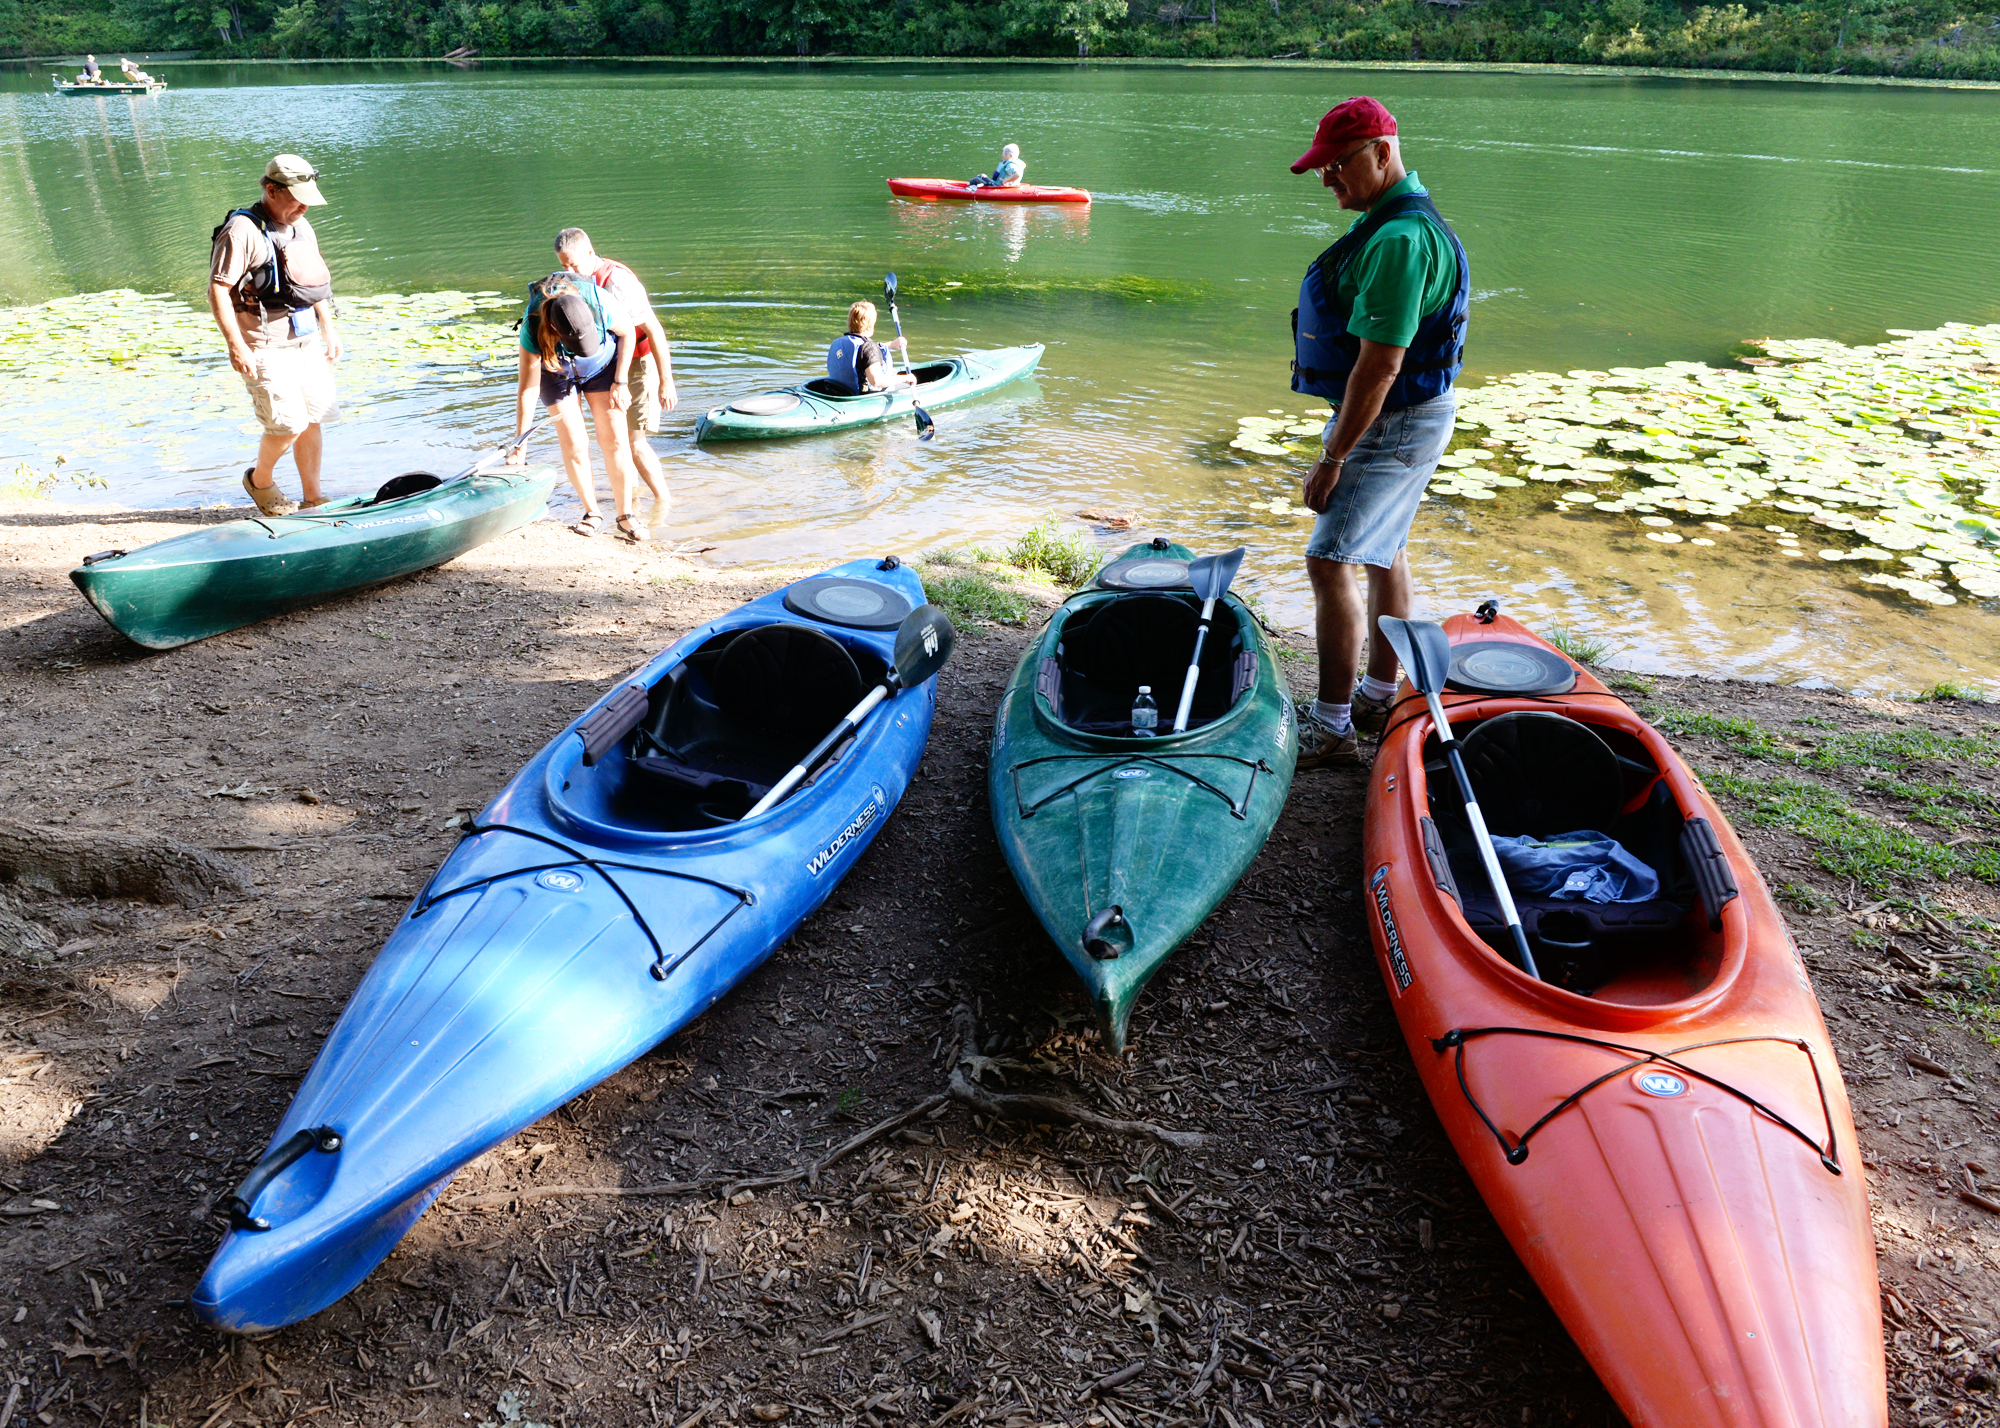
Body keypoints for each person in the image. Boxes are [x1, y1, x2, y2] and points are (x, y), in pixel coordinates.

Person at [1287, 96, 1470, 769]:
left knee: (1329, 558)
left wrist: (1334, 455)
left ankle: (1333, 726)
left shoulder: (1396, 240)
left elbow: (1382, 363)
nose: (1328, 178)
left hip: (1392, 418)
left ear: (1382, 152)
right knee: (1384, 548)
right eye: (1321, 169)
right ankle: (1376, 693)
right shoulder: (1401, 224)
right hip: (1418, 412)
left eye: (1338, 165)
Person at [207, 154, 342, 516]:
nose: (303, 207)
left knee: (314, 416)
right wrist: (237, 347)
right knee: (287, 424)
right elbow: (218, 290)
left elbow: (313, 284)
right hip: (264, 344)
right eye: (297, 199)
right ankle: (260, 480)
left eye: (308, 199)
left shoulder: (301, 226)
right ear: (271, 190)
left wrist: (328, 328)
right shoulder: (242, 231)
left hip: (305, 339)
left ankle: (313, 496)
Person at [507, 268, 647, 542]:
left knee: (615, 440)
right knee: (574, 442)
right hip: (555, 372)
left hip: (602, 368)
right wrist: (519, 445)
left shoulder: (601, 302)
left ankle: (625, 515)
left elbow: (628, 333)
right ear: (556, 330)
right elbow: (528, 388)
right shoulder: (533, 327)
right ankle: (592, 512)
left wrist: (620, 382)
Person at [551, 228, 677, 521]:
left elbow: (653, 329)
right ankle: (630, 506)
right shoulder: (567, 282)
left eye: (574, 265)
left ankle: (664, 505)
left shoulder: (618, 282)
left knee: (635, 443)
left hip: (635, 363)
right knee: (615, 440)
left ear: (591, 253)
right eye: (563, 265)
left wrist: (666, 380)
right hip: (603, 364)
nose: (569, 271)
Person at [826, 301, 914, 395]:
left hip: (838, 391)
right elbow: (876, 381)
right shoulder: (868, 347)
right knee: (905, 385)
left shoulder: (839, 342)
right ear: (870, 324)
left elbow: (861, 354)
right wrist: (907, 378)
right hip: (861, 396)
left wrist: (892, 344)